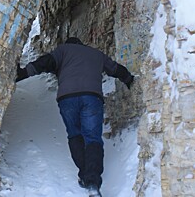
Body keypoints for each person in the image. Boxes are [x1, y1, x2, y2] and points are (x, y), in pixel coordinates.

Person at [15, 37, 134, 197]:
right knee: (92, 138)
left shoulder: (63, 50)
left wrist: (22, 73)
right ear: (81, 44)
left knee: (75, 134)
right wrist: (128, 79)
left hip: (67, 98)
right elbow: (115, 68)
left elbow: (45, 63)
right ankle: (92, 182)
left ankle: (85, 175)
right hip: (92, 97)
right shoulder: (95, 54)